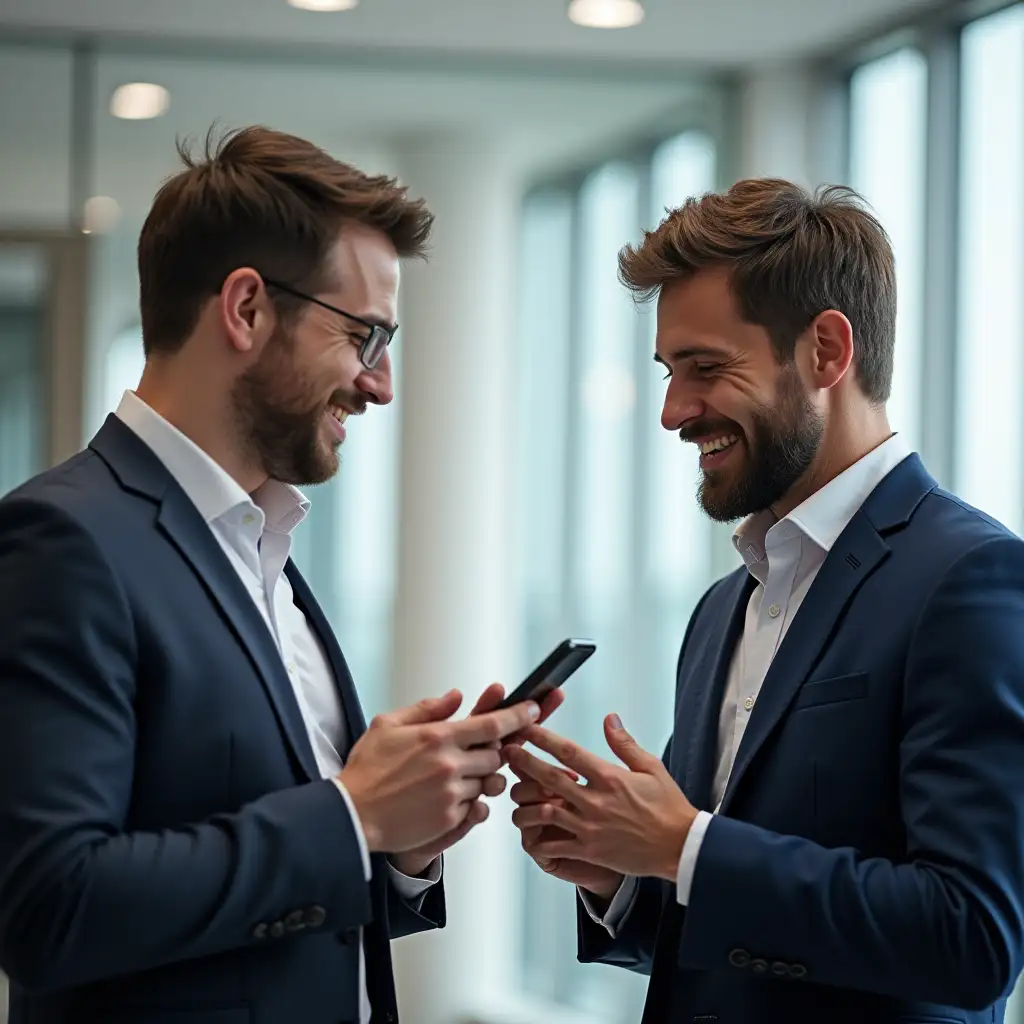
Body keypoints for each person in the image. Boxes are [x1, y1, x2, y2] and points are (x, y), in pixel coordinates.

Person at [0, 126, 556, 1024]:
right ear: (248, 308)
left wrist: (399, 844)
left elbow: (294, 912)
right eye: (366, 335)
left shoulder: (266, 549)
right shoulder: (65, 542)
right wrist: (352, 814)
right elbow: (49, 906)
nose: (381, 385)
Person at [506, 178, 1024, 1023]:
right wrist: (620, 873)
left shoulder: (971, 579)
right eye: (670, 372)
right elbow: (726, 941)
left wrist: (682, 845)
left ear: (825, 351)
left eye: (705, 367)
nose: (674, 411)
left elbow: (975, 940)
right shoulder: (721, 609)